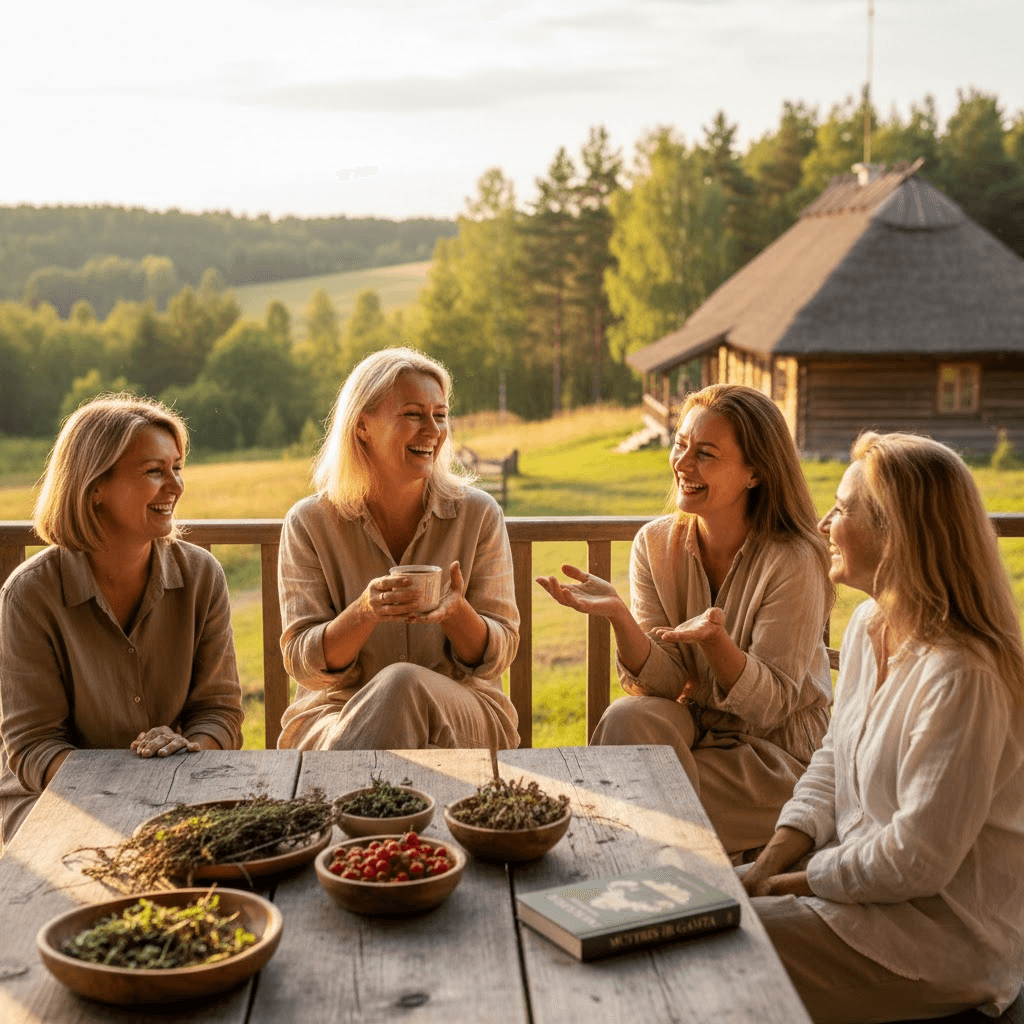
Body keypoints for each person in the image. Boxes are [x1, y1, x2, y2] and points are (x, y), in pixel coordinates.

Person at [742, 432, 1024, 1022]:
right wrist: (767, 864)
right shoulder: (870, 624)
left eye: (842, 508)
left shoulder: (963, 676)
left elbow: (917, 859)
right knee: (704, 912)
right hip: (863, 903)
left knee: (714, 947)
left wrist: (793, 883)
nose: (823, 522)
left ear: (895, 533)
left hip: (938, 943)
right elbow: (830, 762)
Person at [536, 384, 832, 859]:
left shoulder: (794, 560)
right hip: (695, 734)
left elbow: (772, 705)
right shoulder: (654, 544)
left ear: (754, 473)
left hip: (774, 756)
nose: (682, 463)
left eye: (706, 453)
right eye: (680, 444)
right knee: (629, 718)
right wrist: (619, 616)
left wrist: (717, 644)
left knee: (638, 802)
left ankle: (638, 872)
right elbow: (669, 683)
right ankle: (657, 864)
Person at [0, 395, 244, 845]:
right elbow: (33, 747)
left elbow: (220, 714)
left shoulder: (201, 575)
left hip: (176, 787)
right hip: (56, 799)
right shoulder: (29, 594)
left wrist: (187, 751)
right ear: (95, 487)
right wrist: (127, 790)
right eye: (154, 471)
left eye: (177, 467)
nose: (175, 485)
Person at [276, 347, 519, 751]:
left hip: (464, 713)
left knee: (403, 683)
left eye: (439, 415)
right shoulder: (309, 522)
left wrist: (457, 613)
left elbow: (499, 655)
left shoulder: (479, 514)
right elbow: (305, 665)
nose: (433, 430)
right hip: (337, 715)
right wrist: (365, 612)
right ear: (362, 426)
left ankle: (341, 806)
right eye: (412, 414)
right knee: (395, 690)